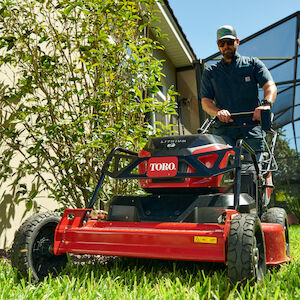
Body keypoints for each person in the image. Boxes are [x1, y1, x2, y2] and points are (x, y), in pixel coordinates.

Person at [200, 25, 277, 153]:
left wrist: (266, 105)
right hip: (223, 134)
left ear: (237, 42)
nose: (226, 46)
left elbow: (270, 86)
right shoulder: (210, 72)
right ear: (218, 45)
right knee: (222, 170)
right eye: (222, 43)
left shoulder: (253, 64)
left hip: (251, 130)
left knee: (252, 171)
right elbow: (205, 102)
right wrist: (218, 112)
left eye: (229, 42)